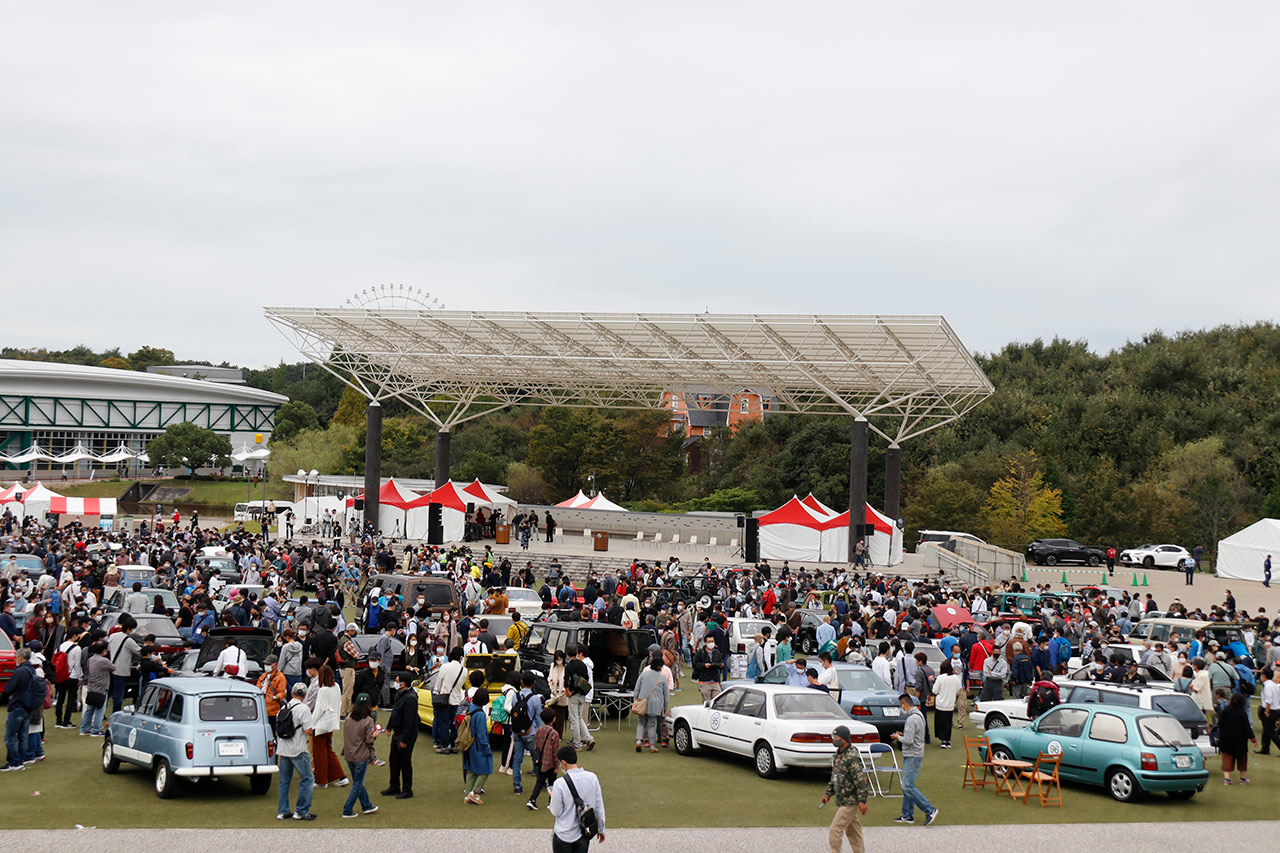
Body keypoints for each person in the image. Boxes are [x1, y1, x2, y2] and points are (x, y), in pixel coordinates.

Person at [889, 693, 937, 825]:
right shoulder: (919, 715)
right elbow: (913, 736)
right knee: (908, 785)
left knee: (907, 786)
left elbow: (908, 740)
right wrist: (903, 735)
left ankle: (929, 809)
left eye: (901, 706)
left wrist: (898, 737)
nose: (901, 709)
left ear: (905, 705)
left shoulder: (911, 719)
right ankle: (907, 814)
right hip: (915, 753)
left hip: (912, 754)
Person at [822, 724, 871, 853]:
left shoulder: (852, 757)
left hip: (851, 801)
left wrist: (862, 801)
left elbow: (860, 780)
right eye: (833, 737)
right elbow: (835, 776)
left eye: (837, 737)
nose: (834, 739)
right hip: (843, 799)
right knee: (854, 832)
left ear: (844, 739)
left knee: (835, 829)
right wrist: (828, 794)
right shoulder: (838, 755)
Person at [549, 744, 606, 852]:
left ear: (563, 763)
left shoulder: (559, 783)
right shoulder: (592, 778)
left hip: (563, 834)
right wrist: (601, 828)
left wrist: (552, 797)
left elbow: (556, 811)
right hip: (583, 832)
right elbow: (599, 806)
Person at [277, 682, 317, 820]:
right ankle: (301, 811)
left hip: (283, 748)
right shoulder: (304, 709)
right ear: (304, 695)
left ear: (292, 693)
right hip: (298, 748)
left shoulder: (283, 707)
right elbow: (308, 730)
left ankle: (283, 811)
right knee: (308, 779)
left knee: (284, 781)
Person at [340, 693, 380, 818]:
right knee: (357, 784)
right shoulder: (368, 720)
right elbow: (369, 740)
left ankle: (366, 805)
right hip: (361, 756)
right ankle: (347, 809)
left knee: (358, 782)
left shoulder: (348, 718)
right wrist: (375, 736)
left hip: (349, 754)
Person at [382, 671, 419, 798]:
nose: (395, 683)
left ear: (403, 684)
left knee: (405, 762)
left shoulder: (410, 699)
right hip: (398, 732)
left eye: (397, 681)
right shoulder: (400, 694)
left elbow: (409, 721)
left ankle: (407, 790)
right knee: (393, 760)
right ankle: (394, 786)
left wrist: (404, 739)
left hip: (406, 734)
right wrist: (389, 726)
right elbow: (395, 712)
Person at [310, 665, 347, 789]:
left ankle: (321, 781)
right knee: (328, 750)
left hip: (322, 724)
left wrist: (311, 724)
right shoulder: (336, 686)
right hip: (332, 723)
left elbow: (319, 709)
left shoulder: (323, 690)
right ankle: (342, 777)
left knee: (319, 753)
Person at [632, 654, 669, 753]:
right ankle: (652, 746)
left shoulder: (643, 674)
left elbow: (636, 689)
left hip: (642, 702)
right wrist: (665, 708)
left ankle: (639, 741)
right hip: (655, 705)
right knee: (651, 725)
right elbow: (666, 695)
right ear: (659, 667)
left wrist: (635, 700)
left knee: (641, 723)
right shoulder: (662, 678)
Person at [462, 687, 493, 805]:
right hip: (478, 746)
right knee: (486, 769)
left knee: (471, 770)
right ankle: (474, 792)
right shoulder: (480, 714)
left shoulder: (471, 709)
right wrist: (486, 747)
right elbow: (481, 734)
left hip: (469, 744)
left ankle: (468, 794)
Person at [526, 707, 561, 811]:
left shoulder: (539, 731)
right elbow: (556, 751)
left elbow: (536, 747)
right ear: (554, 719)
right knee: (552, 783)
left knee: (540, 781)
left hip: (541, 761)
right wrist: (557, 765)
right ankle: (551, 802)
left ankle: (532, 799)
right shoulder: (554, 733)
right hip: (551, 762)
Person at [1219, 691, 1256, 784]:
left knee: (1227, 759)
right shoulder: (1242, 713)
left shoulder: (1225, 711)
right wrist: (1253, 738)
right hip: (1240, 741)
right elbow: (1247, 727)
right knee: (1242, 760)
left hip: (1226, 740)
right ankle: (1242, 779)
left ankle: (1227, 779)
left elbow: (1220, 724)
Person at [565, 645, 595, 751]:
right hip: (582, 694)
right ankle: (588, 738)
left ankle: (577, 743)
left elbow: (566, 681)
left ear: (567, 653)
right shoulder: (583, 664)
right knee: (579, 718)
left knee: (574, 719)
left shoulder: (569, 666)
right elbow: (586, 678)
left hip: (573, 695)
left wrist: (568, 691)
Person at [931, 659, 961, 749]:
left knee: (940, 723)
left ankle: (943, 740)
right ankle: (947, 740)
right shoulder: (955, 678)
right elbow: (957, 689)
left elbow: (935, 690)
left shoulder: (940, 678)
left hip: (941, 704)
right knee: (948, 723)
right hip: (950, 704)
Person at [692, 636, 724, 702]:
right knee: (707, 702)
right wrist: (704, 665)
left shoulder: (717, 652)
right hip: (704, 682)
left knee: (717, 701)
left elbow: (720, 662)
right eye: (709, 641)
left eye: (712, 641)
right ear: (705, 643)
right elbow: (695, 664)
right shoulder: (700, 653)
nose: (711, 643)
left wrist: (721, 665)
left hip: (715, 681)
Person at [1257, 667, 1280, 755]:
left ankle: (1266, 748)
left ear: (1264, 676)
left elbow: (1268, 700)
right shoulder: (1274, 684)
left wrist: (1266, 711)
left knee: (1271, 732)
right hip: (1275, 709)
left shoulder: (1268, 686)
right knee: (1266, 730)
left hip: (1270, 709)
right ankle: (1265, 748)